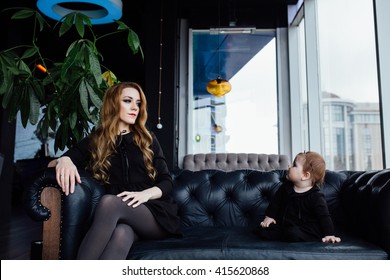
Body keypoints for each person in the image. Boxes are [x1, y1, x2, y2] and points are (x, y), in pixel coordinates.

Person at [48, 81, 181, 259]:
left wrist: (144, 195)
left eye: (138, 103)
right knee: (122, 233)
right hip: (121, 219)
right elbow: (57, 162)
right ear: (113, 104)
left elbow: (167, 181)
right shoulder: (97, 140)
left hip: (153, 214)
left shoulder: (147, 139)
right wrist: (64, 160)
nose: (135, 107)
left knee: (110, 202)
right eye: (128, 101)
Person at [257, 151, 341, 243]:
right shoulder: (285, 187)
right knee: (264, 230)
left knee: (293, 233)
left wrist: (329, 234)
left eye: (294, 165)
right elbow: (275, 203)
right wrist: (269, 217)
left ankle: (290, 235)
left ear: (305, 175)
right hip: (286, 224)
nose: (289, 166)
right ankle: (284, 234)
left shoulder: (316, 197)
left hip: (306, 228)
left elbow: (324, 217)